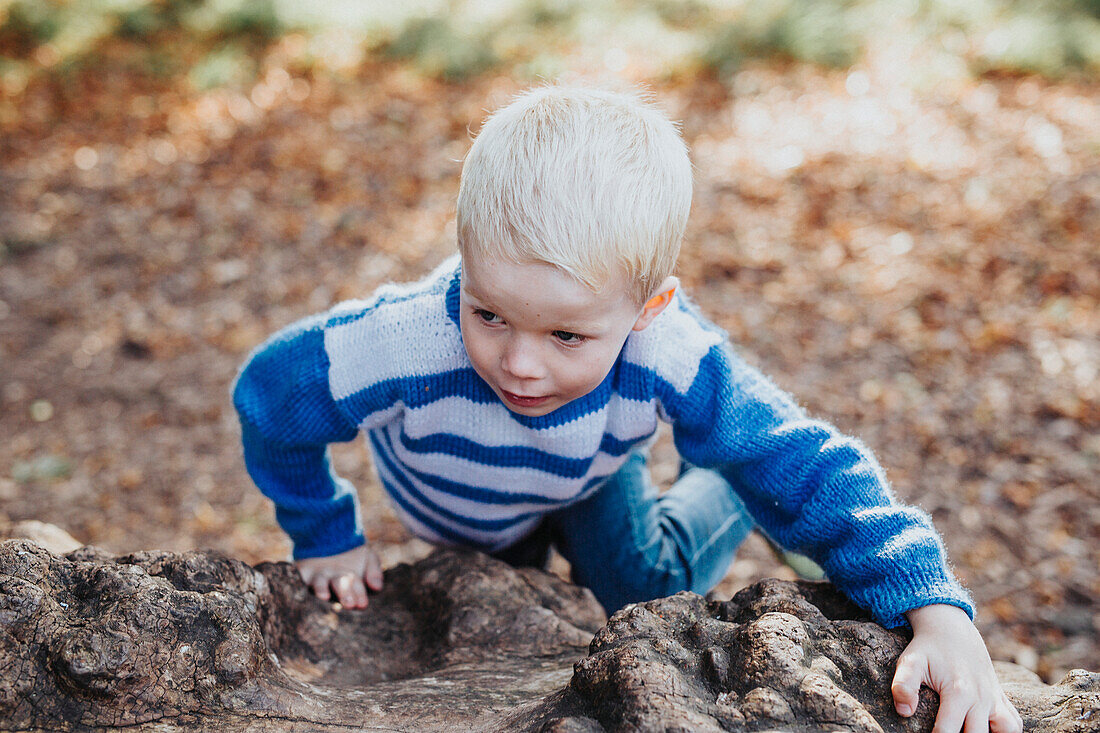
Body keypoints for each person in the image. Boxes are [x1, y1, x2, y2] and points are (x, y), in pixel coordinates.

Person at [232, 84, 1021, 732]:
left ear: (648, 307)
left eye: (567, 333)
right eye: (489, 313)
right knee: (506, 631)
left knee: (643, 592)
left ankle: (732, 495)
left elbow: (799, 454)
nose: (519, 362)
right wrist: (324, 531)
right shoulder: (397, 340)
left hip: (590, 475)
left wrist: (932, 604)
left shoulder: (666, 348)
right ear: (467, 259)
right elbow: (269, 398)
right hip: (467, 509)